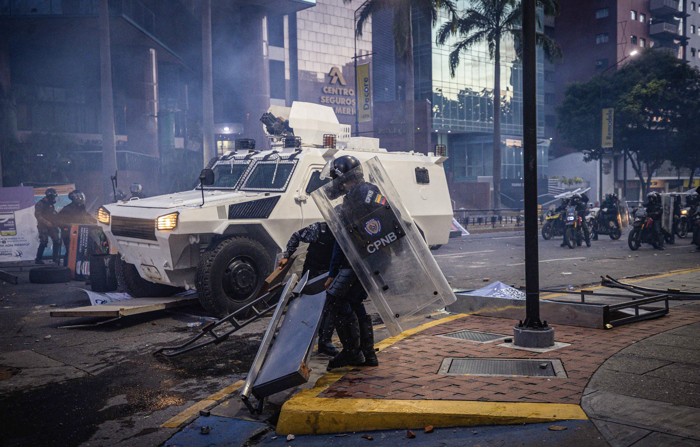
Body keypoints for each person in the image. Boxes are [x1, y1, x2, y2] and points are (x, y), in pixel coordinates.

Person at [322, 155, 380, 371]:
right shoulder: (368, 192)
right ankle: (368, 354)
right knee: (354, 302)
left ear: (341, 178)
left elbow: (344, 239)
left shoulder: (358, 196)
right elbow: (344, 239)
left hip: (358, 260)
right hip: (369, 258)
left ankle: (352, 352)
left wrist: (333, 271)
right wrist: (332, 272)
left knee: (335, 300)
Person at [278, 221, 339, 356]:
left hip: (330, 274)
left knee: (330, 306)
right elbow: (296, 236)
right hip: (312, 273)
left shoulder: (344, 231)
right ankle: (294, 340)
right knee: (306, 306)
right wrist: (287, 256)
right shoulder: (318, 229)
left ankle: (325, 342)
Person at [57, 190, 97, 266]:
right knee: (70, 251)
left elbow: (89, 217)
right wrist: (65, 227)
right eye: (79, 197)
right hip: (69, 234)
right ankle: (66, 268)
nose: (81, 199)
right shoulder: (67, 209)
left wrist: (97, 222)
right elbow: (58, 221)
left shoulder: (81, 209)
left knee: (82, 251)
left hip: (81, 234)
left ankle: (78, 268)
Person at [35, 188, 61, 264]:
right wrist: (46, 222)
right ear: (50, 196)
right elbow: (37, 215)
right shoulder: (41, 203)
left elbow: (53, 213)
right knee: (44, 241)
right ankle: (38, 259)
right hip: (43, 226)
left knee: (56, 240)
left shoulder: (51, 204)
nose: (54, 198)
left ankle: (55, 258)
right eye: (54, 196)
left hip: (52, 225)